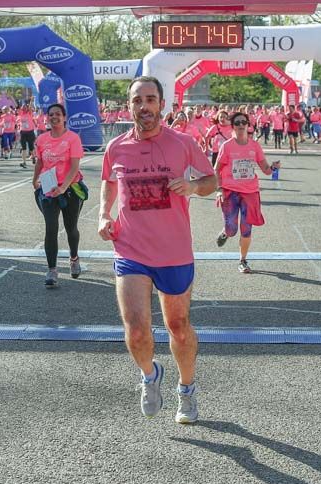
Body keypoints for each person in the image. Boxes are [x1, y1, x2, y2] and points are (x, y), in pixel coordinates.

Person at [98, 76, 216, 424]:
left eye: (150, 99)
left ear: (161, 105)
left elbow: (212, 181)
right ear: (129, 105)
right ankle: (150, 376)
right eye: (138, 100)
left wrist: (193, 186)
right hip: (130, 248)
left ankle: (187, 388)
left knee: (178, 326)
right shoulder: (116, 147)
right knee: (136, 329)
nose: (144, 106)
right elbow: (108, 182)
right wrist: (105, 214)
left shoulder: (182, 143)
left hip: (174, 252)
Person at [214, 111, 280, 273]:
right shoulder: (227, 146)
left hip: (250, 192)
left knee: (246, 228)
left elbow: (265, 169)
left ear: (248, 125)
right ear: (233, 126)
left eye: (244, 122)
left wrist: (273, 167)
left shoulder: (255, 146)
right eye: (237, 123)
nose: (241, 125)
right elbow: (217, 170)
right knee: (232, 229)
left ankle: (242, 260)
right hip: (230, 191)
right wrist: (219, 190)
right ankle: (225, 232)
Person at [33, 104, 86, 287]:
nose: (54, 117)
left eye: (58, 114)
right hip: (48, 189)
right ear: (47, 118)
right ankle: (52, 270)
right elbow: (40, 161)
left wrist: (63, 188)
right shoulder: (41, 139)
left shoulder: (73, 138)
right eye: (51, 114)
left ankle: (74, 257)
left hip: (70, 189)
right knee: (51, 227)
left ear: (64, 117)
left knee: (71, 228)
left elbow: (74, 166)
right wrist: (34, 180)